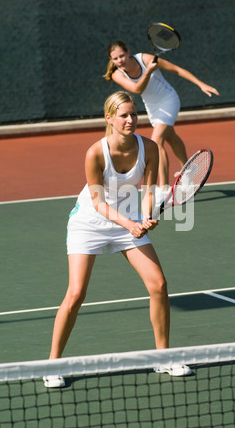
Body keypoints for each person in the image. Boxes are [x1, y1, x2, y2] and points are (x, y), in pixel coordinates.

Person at [44, 91, 191, 388]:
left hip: (128, 222)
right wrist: (131, 223)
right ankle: (52, 364)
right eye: (123, 115)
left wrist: (147, 217)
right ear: (109, 118)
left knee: (159, 285)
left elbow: (149, 191)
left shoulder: (149, 147)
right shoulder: (95, 153)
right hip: (89, 223)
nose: (130, 120)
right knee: (75, 294)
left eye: (134, 114)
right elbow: (98, 203)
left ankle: (163, 357)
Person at [104, 40, 219, 199]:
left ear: (128, 52)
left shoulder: (145, 59)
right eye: (115, 58)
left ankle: (163, 188)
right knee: (171, 137)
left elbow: (176, 70)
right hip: (152, 106)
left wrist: (201, 84)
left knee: (156, 142)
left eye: (121, 56)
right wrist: (149, 72)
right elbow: (138, 89)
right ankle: (189, 171)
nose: (119, 61)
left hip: (168, 100)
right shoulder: (117, 73)